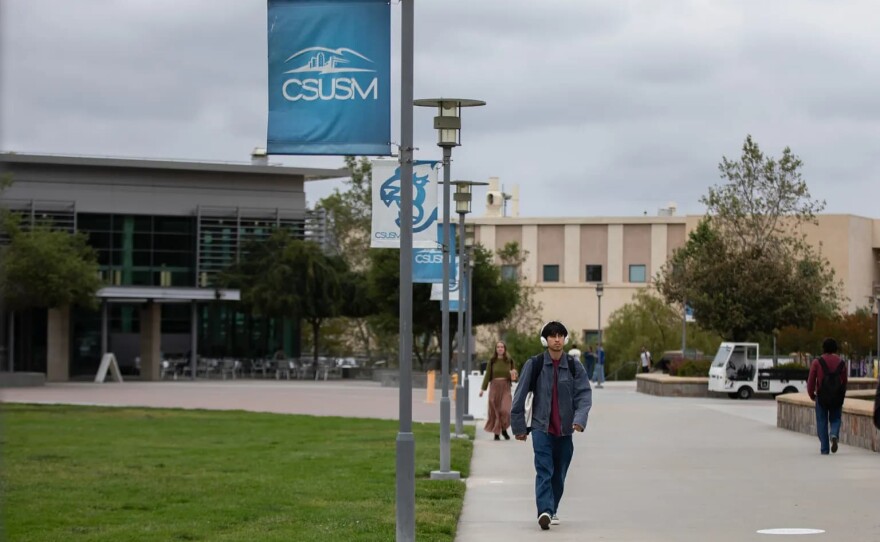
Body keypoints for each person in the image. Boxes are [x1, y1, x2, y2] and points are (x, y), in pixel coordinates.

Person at [510, 321, 592, 530]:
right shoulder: (535, 364)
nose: (557, 339)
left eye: (560, 335)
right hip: (541, 429)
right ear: (545, 340)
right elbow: (519, 397)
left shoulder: (574, 366)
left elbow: (584, 395)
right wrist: (519, 428)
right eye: (552, 336)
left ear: (565, 339)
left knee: (560, 473)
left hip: (565, 431)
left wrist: (579, 420)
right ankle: (544, 511)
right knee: (544, 469)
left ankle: (552, 508)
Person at [807, 338, 848, 455]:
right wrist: (842, 396)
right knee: (836, 418)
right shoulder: (841, 362)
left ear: (823, 348)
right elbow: (844, 382)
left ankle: (824, 449)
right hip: (836, 397)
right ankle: (834, 434)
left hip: (821, 397)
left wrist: (812, 395)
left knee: (822, 421)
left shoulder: (817, 362)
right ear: (836, 348)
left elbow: (811, 381)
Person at [480, 341, 515, 441]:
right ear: (496, 349)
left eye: (502, 347)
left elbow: (514, 375)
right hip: (494, 387)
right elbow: (487, 375)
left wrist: (513, 375)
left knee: (505, 410)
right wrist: (483, 389)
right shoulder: (492, 361)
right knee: (495, 411)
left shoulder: (509, 360)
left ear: (505, 349)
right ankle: (497, 433)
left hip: (505, 387)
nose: (500, 349)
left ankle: (503, 429)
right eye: (498, 347)